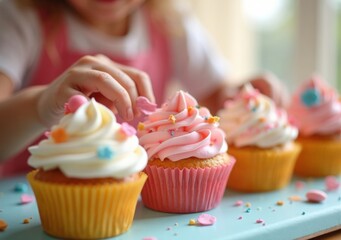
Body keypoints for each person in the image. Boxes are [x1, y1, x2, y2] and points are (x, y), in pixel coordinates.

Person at [0, 0, 288, 178]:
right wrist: (43, 104)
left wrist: (243, 96)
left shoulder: (171, 20)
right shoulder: (19, 17)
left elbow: (217, 97)